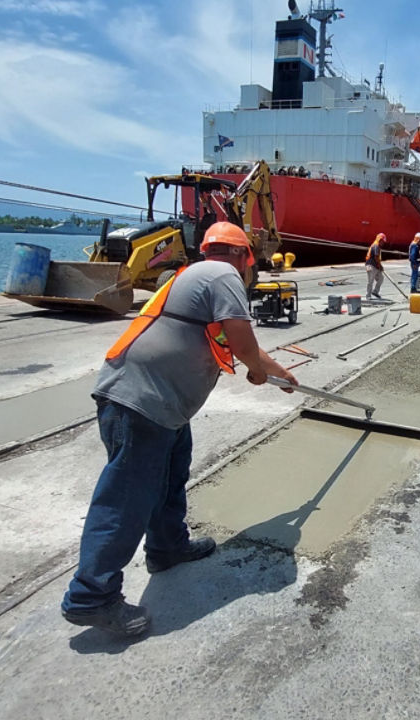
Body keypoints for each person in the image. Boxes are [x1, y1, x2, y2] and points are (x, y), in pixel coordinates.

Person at [61, 222, 298, 637]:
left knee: (171, 477)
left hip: (159, 405)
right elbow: (242, 344)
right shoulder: (224, 274)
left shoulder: (199, 276)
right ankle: (91, 596)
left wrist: (277, 372)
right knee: (126, 499)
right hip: (142, 401)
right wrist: (256, 370)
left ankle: (167, 547)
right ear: (243, 258)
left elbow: (242, 343)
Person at [365, 232, 385, 300]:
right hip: (371, 265)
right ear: (379, 239)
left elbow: (377, 258)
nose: (383, 243)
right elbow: (376, 257)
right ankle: (368, 295)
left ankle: (375, 291)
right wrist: (380, 266)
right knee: (370, 281)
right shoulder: (375, 246)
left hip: (376, 266)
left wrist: (379, 266)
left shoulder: (378, 246)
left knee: (381, 278)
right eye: (382, 241)